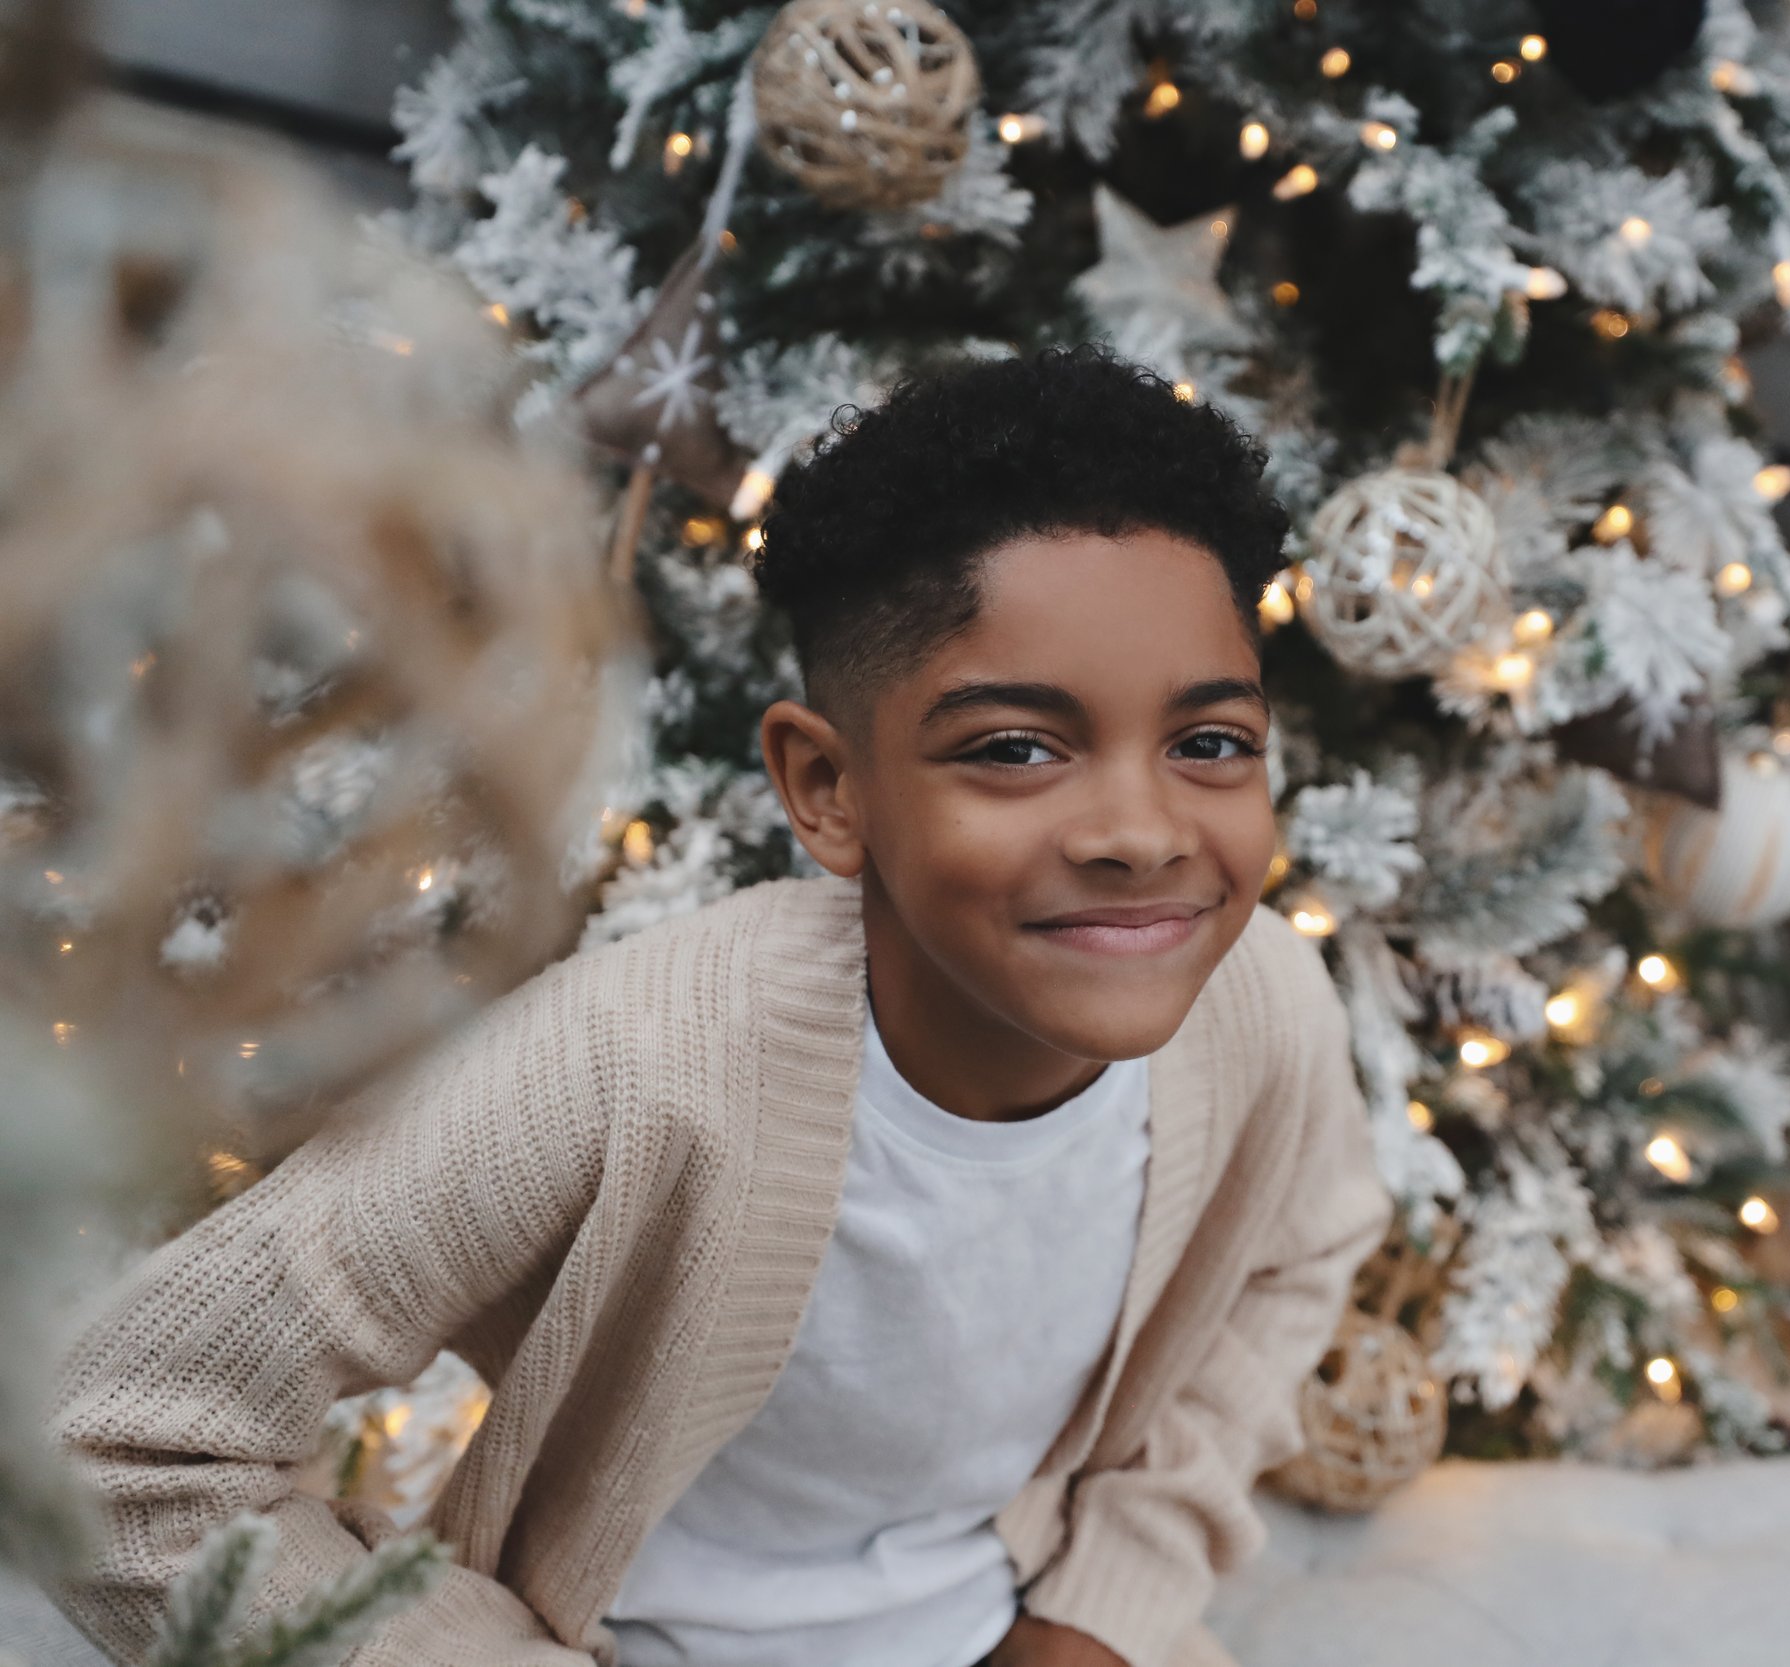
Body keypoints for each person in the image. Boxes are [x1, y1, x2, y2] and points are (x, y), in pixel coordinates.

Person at [47, 347, 1392, 1667]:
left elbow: (1300, 1256)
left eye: (1209, 744)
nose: (1141, 834)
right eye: (1014, 750)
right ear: (827, 790)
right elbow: (113, 1439)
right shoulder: (630, 1064)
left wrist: (1108, 1599)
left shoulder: (1260, 1001)